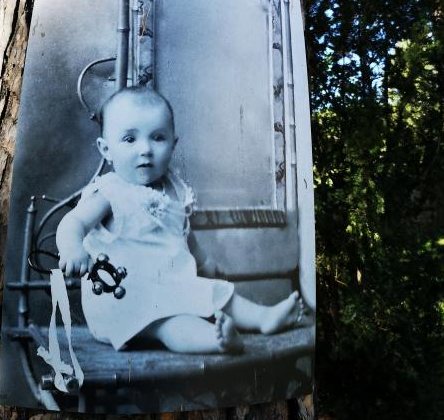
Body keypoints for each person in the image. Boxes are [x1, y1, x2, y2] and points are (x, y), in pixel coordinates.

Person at [56, 86, 303, 354]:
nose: (145, 149)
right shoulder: (110, 192)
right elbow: (73, 222)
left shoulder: (175, 191)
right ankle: (216, 341)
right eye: (129, 139)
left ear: (173, 145)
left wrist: (206, 265)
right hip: (123, 299)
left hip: (168, 288)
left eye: (157, 138)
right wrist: (72, 249)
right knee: (171, 323)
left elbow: (184, 235)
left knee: (218, 292)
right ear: (106, 149)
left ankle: (264, 318)